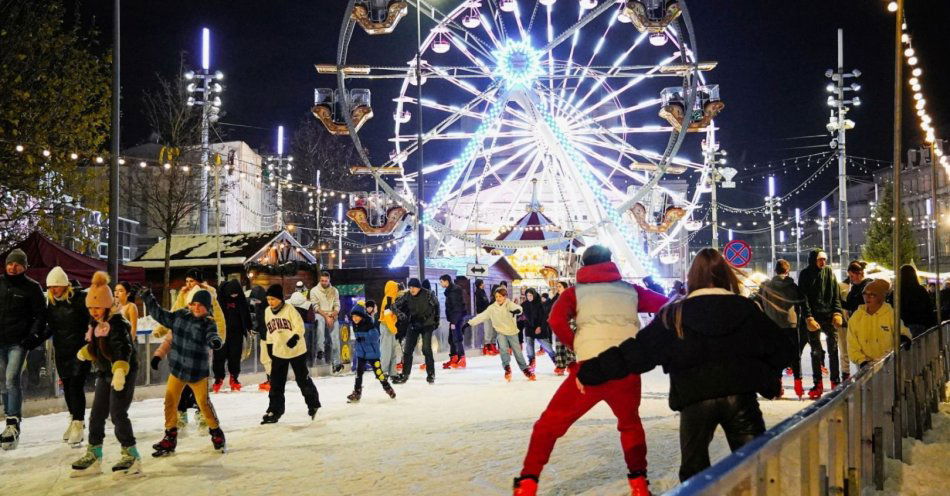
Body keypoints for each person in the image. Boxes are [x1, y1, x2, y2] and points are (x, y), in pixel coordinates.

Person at [575, 248, 792, 484]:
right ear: (726, 275)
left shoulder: (674, 313)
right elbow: (781, 349)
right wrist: (766, 376)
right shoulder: (745, 308)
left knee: (694, 472)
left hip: (694, 400)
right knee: (756, 466)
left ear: (692, 278)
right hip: (740, 397)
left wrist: (591, 372)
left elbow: (638, 352)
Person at [513, 245, 668, 496]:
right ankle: (639, 483)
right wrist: (645, 343)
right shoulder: (631, 291)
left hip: (589, 369)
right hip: (626, 368)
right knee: (629, 424)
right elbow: (666, 306)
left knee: (549, 425)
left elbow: (555, 320)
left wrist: (576, 344)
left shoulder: (576, 293)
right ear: (610, 261)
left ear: (583, 265)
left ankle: (528, 482)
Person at [70, 271, 142, 477]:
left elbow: (123, 349)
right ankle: (94, 453)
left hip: (123, 372)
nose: (93, 311)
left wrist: (120, 371)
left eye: (97, 306)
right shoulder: (95, 324)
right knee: (97, 414)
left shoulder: (118, 324)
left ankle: (131, 454)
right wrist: (87, 352)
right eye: (90, 307)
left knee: (118, 413)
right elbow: (96, 346)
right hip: (105, 372)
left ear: (108, 304)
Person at [142, 287, 226, 456]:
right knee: (170, 400)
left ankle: (216, 432)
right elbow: (160, 315)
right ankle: (170, 436)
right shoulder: (180, 316)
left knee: (203, 402)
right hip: (178, 369)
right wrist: (147, 297)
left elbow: (212, 335)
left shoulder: (208, 322)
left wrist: (215, 341)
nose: (196, 308)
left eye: (201, 305)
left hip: (197, 372)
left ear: (207, 307)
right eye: (194, 304)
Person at [34, 266, 90, 447]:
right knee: (67, 386)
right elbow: (51, 327)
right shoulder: (53, 304)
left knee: (76, 386)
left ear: (65, 285)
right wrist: (35, 340)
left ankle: (79, 423)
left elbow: (92, 321)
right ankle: (74, 418)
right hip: (62, 351)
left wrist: (91, 343)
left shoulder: (80, 299)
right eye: (50, 287)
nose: (52, 290)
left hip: (80, 351)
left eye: (56, 286)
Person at [0, 248, 46, 450]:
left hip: (18, 342)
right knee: (2, 381)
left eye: (17, 264)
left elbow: (40, 316)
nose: (12, 267)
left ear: (24, 267)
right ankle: (9, 419)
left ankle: (13, 421)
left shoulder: (32, 288)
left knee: (11, 378)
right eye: (10, 263)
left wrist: (32, 336)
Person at [262, 284, 320, 423]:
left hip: (296, 351)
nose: (270, 302)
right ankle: (274, 411)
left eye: (273, 299)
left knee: (302, 380)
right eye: (269, 299)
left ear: (281, 299)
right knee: (276, 383)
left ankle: (313, 404)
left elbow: (299, 326)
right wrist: (269, 346)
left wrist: (295, 337)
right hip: (279, 351)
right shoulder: (267, 311)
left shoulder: (290, 310)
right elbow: (269, 331)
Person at [753, 259, 809, 399]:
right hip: (790, 325)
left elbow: (756, 302)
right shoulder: (793, 287)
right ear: (787, 270)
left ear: (775, 271)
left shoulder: (766, 286)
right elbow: (803, 302)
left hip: (772, 326)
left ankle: (778, 387)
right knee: (794, 355)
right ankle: (798, 386)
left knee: (774, 355)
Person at [798, 249, 844, 398]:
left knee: (833, 350)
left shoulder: (829, 272)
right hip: (813, 318)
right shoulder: (805, 274)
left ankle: (835, 382)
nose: (823, 262)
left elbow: (835, 293)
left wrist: (837, 312)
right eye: (820, 259)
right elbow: (803, 298)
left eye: (824, 259)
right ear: (813, 260)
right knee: (815, 352)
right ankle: (818, 384)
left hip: (829, 317)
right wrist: (808, 317)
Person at [468, 287, 535, 382]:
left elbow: (518, 308)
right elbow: (482, 316)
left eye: (500, 296)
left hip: (512, 332)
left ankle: (525, 369)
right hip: (501, 332)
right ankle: (507, 368)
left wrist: (517, 311)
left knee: (517, 352)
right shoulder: (492, 308)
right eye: (496, 296)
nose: (498, 298)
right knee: (503, 349)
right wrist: (469, 323)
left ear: (505, 297)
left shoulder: (509, 304)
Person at [847, 279, 912, 367]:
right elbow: (852, 343)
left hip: (889, 364)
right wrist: (862, 361)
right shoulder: (856, 317)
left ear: (881, 297)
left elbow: (903, 331)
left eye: (872, 295)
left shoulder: (890, 314)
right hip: (865, 366)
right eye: (865, 293)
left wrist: (904, 338)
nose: (867, 297)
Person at [392, 278, 439, 385]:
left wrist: (437, 319)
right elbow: (393, 306)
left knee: (426, 349)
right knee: (408, 350)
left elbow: (436, 305)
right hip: (413, 324)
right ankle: (405, 375)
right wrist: (399, 314)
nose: (411, 289)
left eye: (413, 287)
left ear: (419, 287)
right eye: (410, 287)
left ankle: (431, 374)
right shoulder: (407, 295)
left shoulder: (428, 294)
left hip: (427, 324)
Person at [347, 302, 396, 403]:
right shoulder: (355, 324)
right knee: (358, 373)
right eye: (353, 316)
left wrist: (363, 338)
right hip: (361, 353)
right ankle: (357, 392)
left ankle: (388, 388)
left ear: (361, 316)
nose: (355, 318)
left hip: (372, 353)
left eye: (357, 316)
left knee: (378, 373)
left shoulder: (369, 322)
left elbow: (375, 336)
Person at [214, 278, 253, 392]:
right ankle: (218, 379)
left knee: (235, 357)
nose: (234, 296)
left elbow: (246, 313)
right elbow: (214, 315)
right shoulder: (220, 298)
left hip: (237, 333)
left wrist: (249, 327)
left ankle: (234, 378)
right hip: (221, 334)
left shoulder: (241, 299)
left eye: (236, 294)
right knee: (219, 357)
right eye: (232, 294)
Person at [310, 271, 343, 373]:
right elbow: (315, 306)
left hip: (332, 315)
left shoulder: (334, 291)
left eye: (326, 281)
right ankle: (320, 350)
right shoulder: (314, 291)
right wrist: (326, 316)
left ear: (329, 280)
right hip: (320, 314)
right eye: (322, 280)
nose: (324, 282)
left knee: (335, 340)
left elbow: (337, 304)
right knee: (320, 324)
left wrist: (333, 315)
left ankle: (336, 363)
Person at [898, 264, 936, 337]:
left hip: (902, 325)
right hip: (920, 324)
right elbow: (929, 307)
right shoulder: (921, 290)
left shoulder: (897, 292)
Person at [522, 288, 555, 370]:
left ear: (534, 295)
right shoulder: (524, 304)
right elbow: (522, 316)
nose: (529, 297)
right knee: (529, 345)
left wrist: (540, 327)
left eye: (530, 295)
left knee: (546, 346)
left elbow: (545, 317)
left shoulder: (541, 304)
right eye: (527, 296)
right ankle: (531, 362)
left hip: (540, 327)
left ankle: (556, 360)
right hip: (529, 328)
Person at [440, 274, 468, 369]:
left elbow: (457, 307)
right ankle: (454, 358)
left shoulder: (454, 291)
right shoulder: (450, 291)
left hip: (456, 318)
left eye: (441, 281)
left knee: (457, 338)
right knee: (451, 339)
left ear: (446, 281)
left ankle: (462, 358)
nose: (441, 284)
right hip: (453, 318)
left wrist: (454, 322)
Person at [379, 280, 404, 379]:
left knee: (393, 351)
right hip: (387, 327)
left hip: (390, 327)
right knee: (386, 351)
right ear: (392, 289)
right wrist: (393, 328)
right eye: (396, 288)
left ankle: (393, 372)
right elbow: (387, 316)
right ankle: (383, 372)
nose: (397, 289)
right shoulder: (388, 299)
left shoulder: (391, 299)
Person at [550, 281, 571, 376]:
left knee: (569, 347)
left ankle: (571, 365)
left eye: (560, 286)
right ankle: (560, 366)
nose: (557, 288)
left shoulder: (570, 297)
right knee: (559, 347)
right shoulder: (556, 298)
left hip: (569, 324)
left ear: (565, 288)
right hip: (559, 325)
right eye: (557, 286)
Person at [474, 279, 497, 356]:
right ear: (480, 284)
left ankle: (489, 346)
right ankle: (486, 346)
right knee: (487, 329)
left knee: (489, 330)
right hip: (483, 313)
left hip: (485, 312)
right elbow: (483, 303)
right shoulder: (479, 292)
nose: (484, 284)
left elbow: (485, 302)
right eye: (483, 283)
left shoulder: (481, 292)